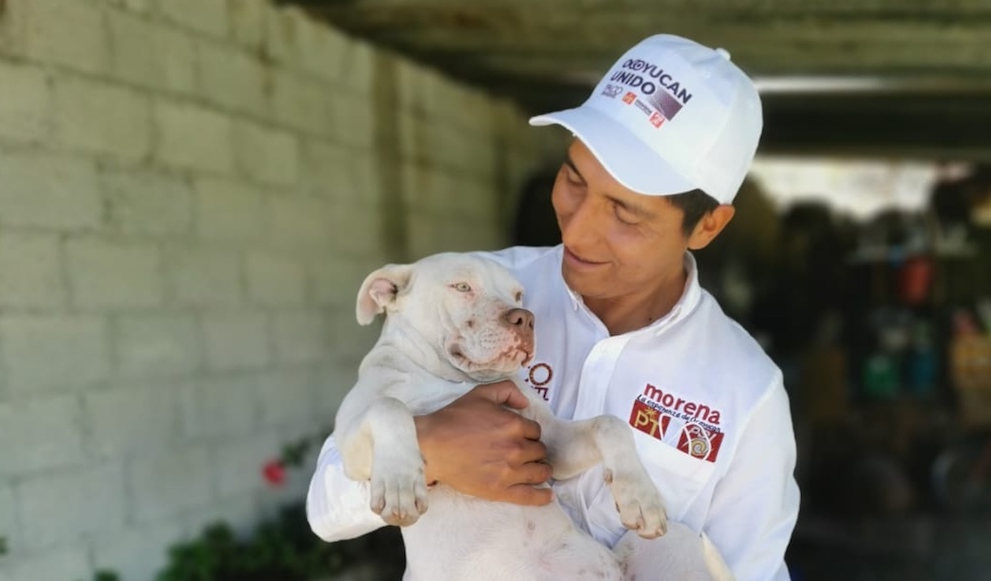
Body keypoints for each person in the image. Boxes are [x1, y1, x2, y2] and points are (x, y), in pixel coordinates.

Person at [306, 33, 800, 580]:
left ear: (708, 225)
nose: (579, 230)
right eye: (573, 178)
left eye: (626, 214)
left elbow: (749, 571)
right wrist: (433, 449)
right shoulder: (484, 288)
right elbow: (326, 506)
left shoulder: (746, 391)